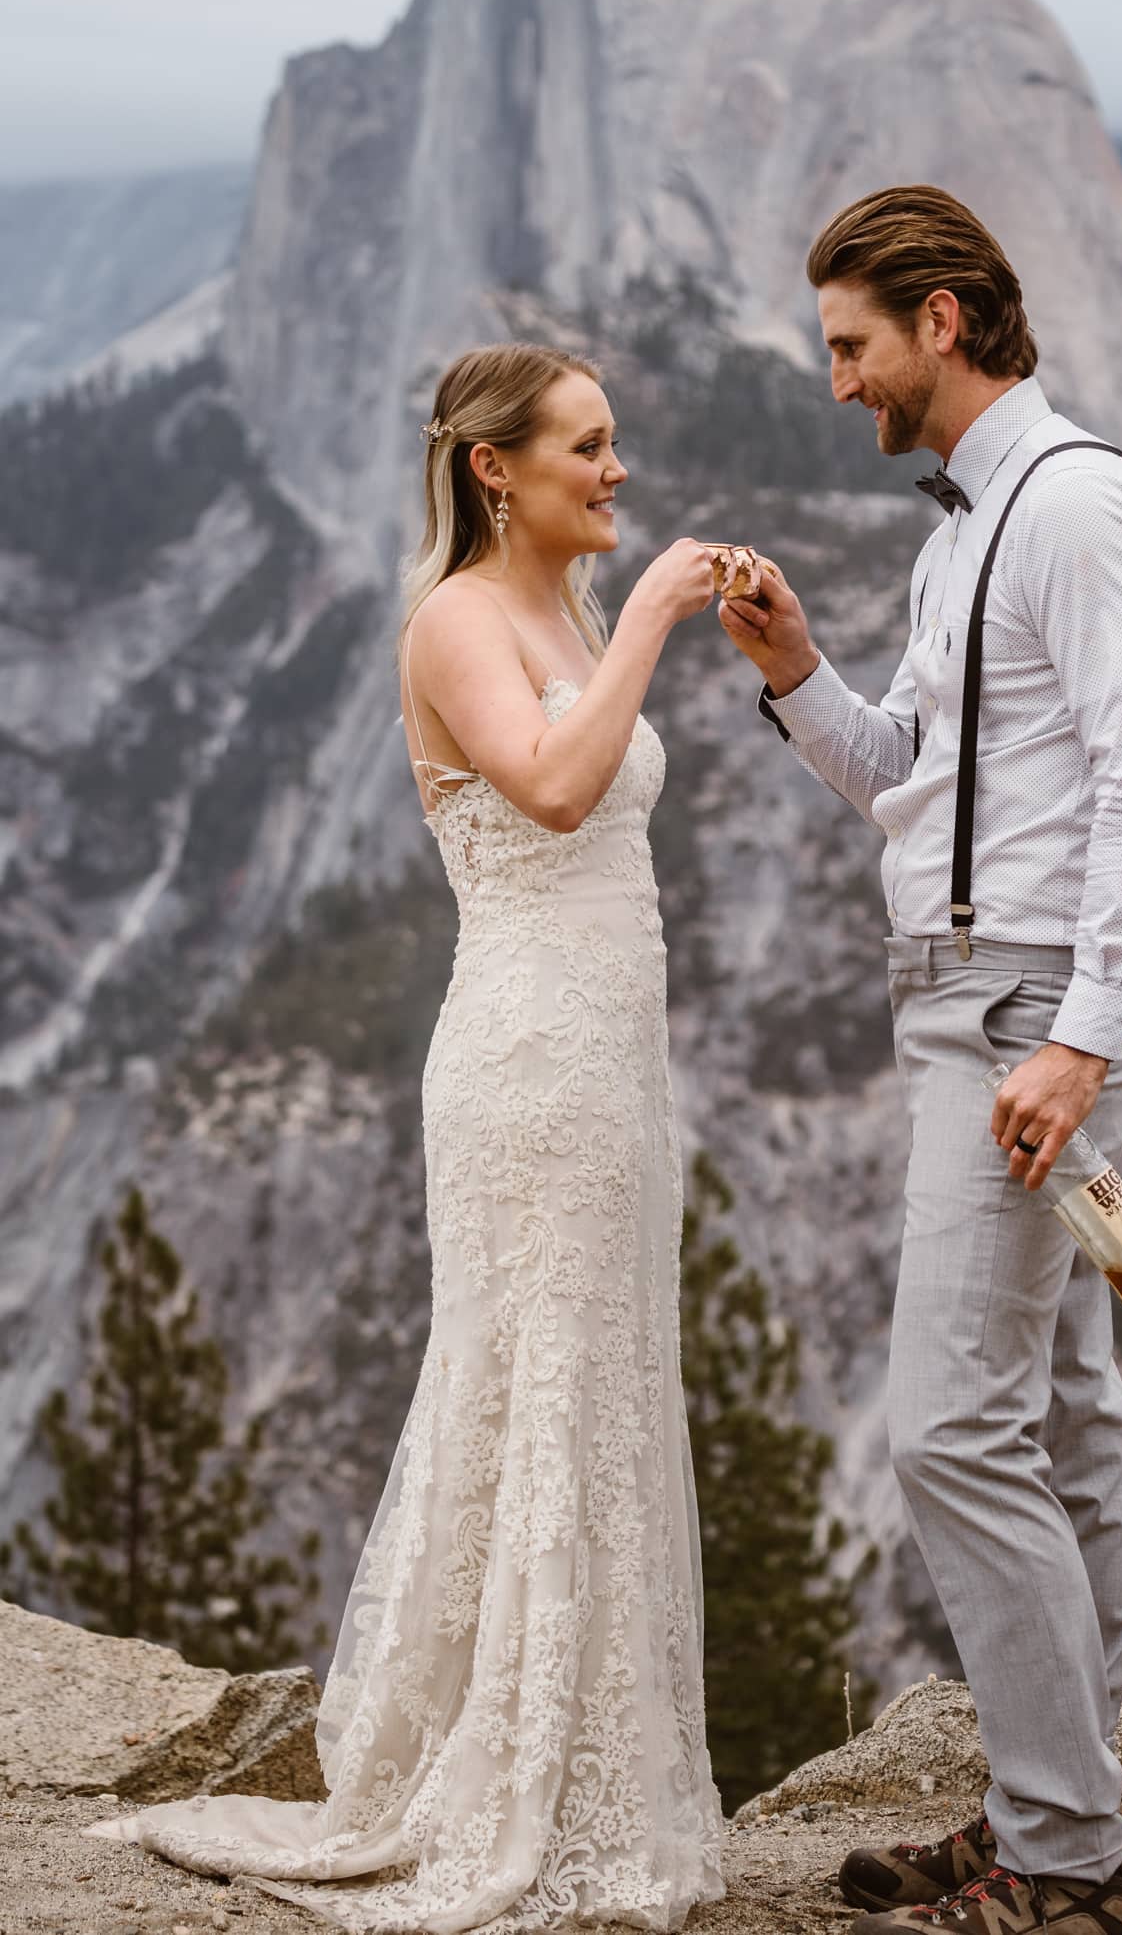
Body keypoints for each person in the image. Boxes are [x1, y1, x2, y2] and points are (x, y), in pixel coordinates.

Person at [89, 343, 726, 1932]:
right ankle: (500, 1780)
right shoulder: (455, 618)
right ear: (494, 466)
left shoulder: (561, 611)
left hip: (611, 1060)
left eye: (618, 441)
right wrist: (655, 613)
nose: (618, 469)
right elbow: (555, 789)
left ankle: (585, 1760)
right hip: (524, 1064)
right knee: (535, 1376)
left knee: (601, 1377)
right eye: (589, 444)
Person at [719, 187, 1122, 1935]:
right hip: (978, 992)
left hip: (1018, 1017)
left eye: (851, 342)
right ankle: (1042, 1819)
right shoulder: (960, 537)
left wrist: (1084, 1034)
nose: (837, 380)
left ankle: (1065, 1859)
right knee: (1065, 1421)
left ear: (939, 317)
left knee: (947, 1429)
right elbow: (913, 778)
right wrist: (797, 676)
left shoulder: (1078, 508)